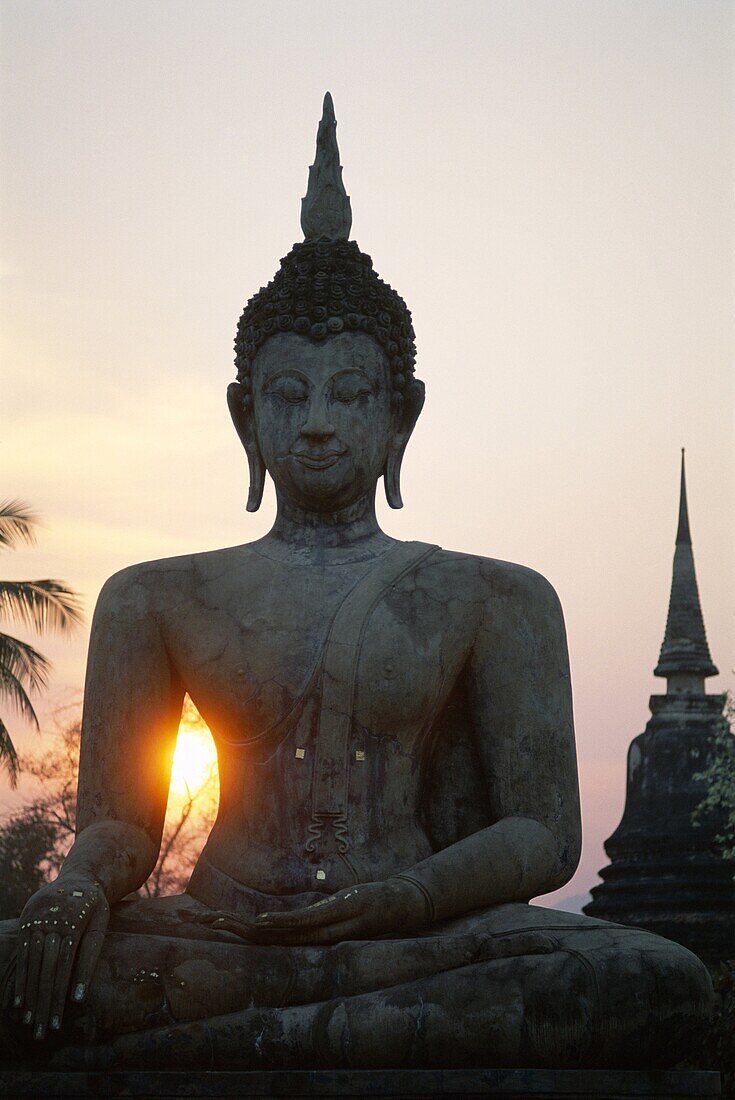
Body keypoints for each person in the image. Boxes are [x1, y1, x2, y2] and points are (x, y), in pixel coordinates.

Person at [0, 95, 712, 1071]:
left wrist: (409, 897)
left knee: (653, 980)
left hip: (418, 935)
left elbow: (544, 832)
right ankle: (297, 1032)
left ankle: (248, 1046)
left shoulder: (497, 597)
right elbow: (124, 820)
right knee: (19, 967)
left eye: (351, 393)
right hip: (216, 935)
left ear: (401, 416)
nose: (320, 422)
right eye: (290, 395)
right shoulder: (152, 597)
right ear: (245, 417)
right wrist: (75, 883)